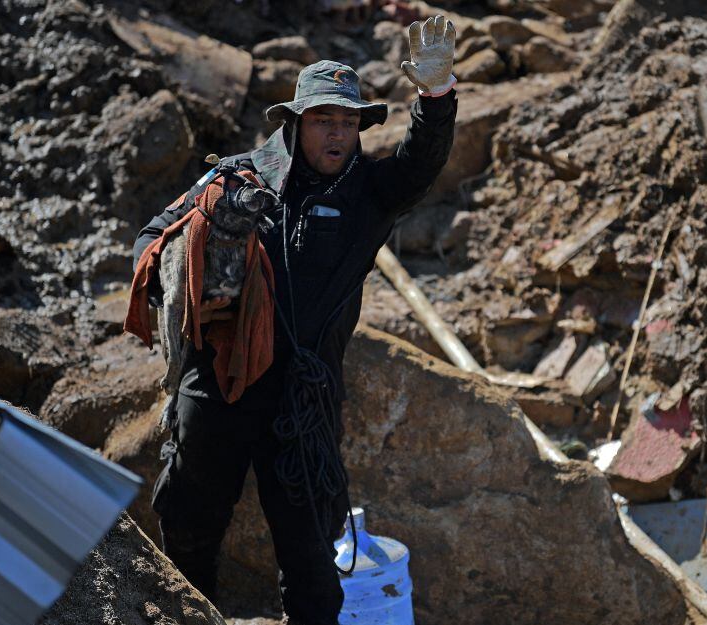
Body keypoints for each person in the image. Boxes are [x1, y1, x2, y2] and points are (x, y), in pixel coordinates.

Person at [130, 14, 458, 625]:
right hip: (221, 384)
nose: (338, 133)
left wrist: (435, 98)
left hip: (303, 401)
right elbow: (151, 242)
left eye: (348, 121)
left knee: (311, 567)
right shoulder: (233, 177)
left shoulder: (370, 194)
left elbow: (420, 163)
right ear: (293, 123)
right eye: (323, 119)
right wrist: (199, 254)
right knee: (189, 534)